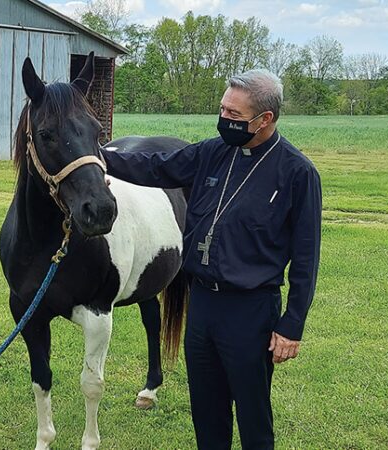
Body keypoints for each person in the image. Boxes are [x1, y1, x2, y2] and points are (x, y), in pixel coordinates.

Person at [100, 69, 322, 449]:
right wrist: (93, 155)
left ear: (265, 119)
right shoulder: (211, 152)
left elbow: (306, 258)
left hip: (249, 310)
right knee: (206, 411)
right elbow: (155, 167)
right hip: (201, 304)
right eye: (222, 109)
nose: (224, 120)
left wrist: (292, 325)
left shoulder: (297, 173)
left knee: (253, 416)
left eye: (234, 115)